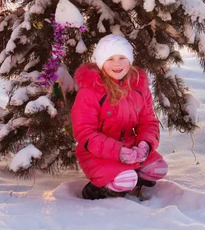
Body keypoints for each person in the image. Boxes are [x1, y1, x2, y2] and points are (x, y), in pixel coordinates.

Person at [71, 34, 168, 200]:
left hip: (130, 147)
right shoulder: (90, 91)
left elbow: (148, 121)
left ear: (130, 60)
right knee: (125, 181)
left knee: (158, 169)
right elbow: (85, 133)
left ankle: (131, 175)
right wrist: (118, 152)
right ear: (101, 63)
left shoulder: (138, 87)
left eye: (122, 57)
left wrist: (144, 145)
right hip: (97, 153)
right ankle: (97, 190)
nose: (117, 64)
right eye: (110, 59)